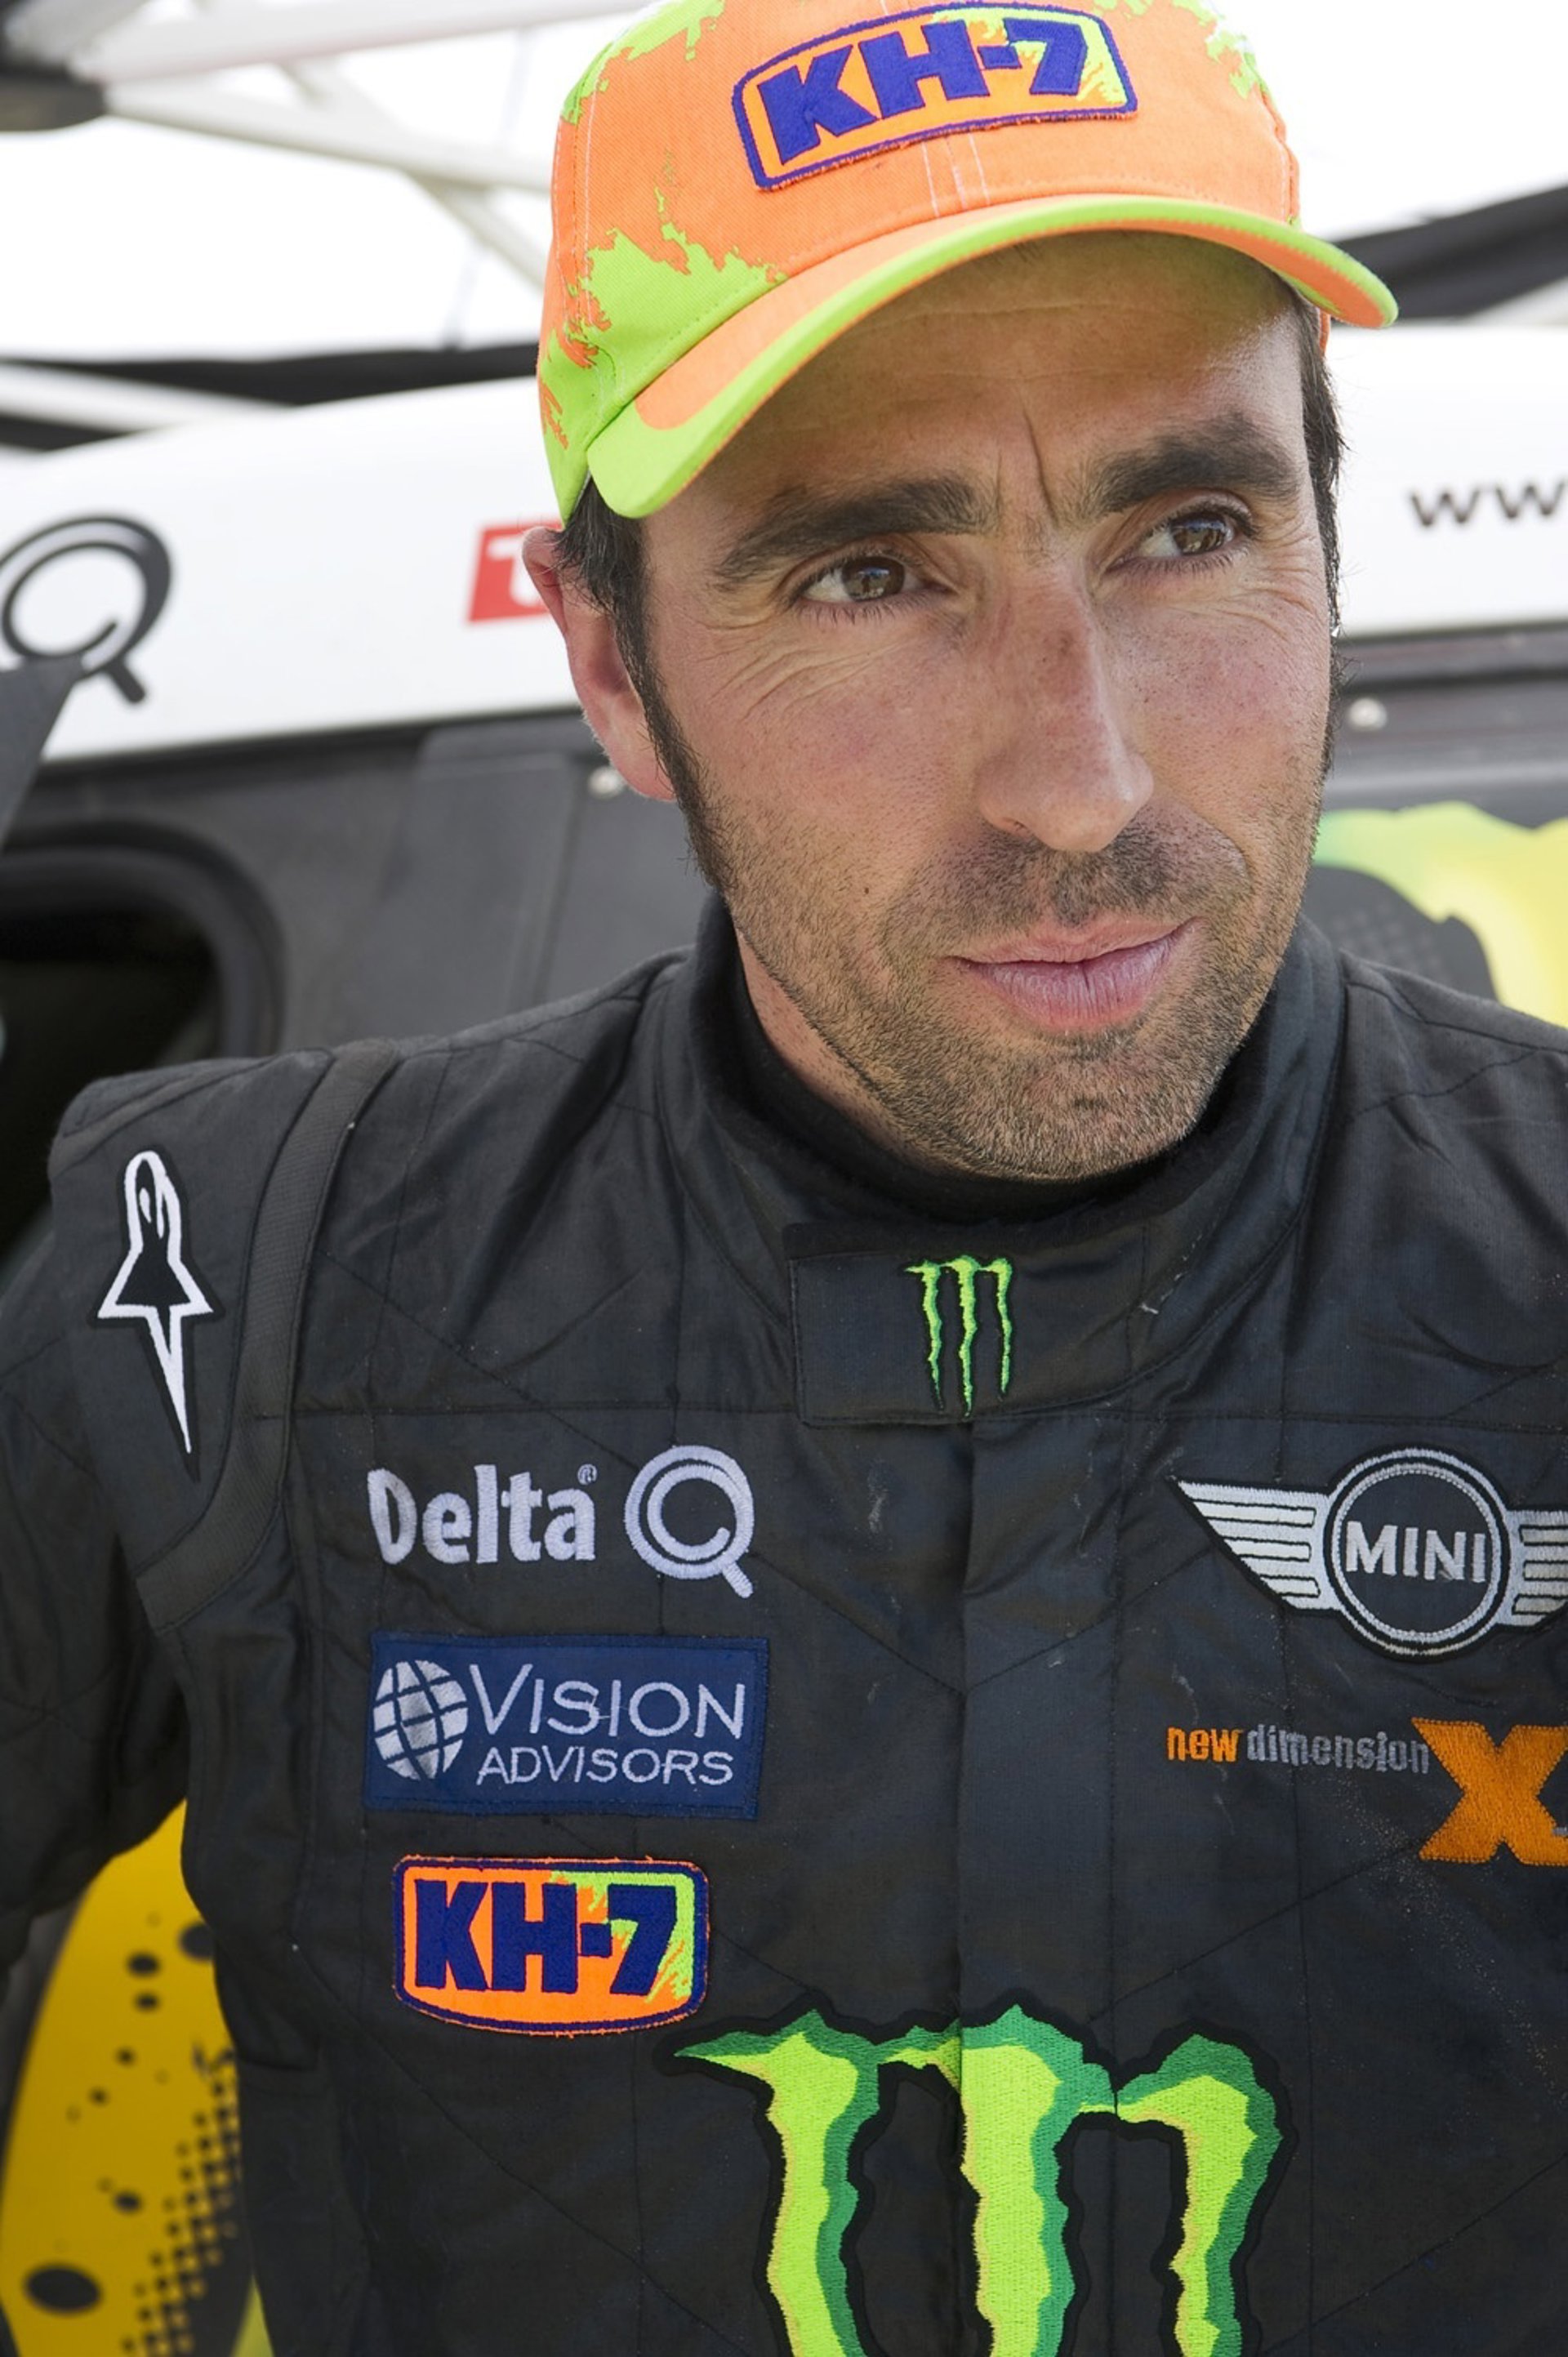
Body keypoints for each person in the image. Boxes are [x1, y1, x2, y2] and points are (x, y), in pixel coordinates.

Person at [2, 1, 1565, 2350]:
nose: (1080, 781)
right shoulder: (239, 1280)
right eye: (869, 576)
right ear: (610, 669)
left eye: (1192, 529)